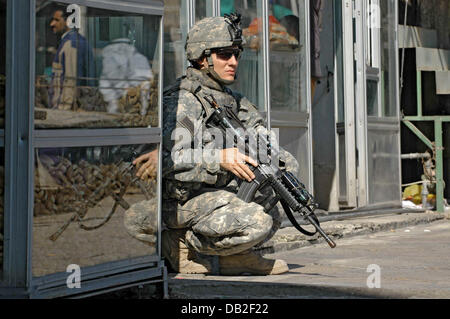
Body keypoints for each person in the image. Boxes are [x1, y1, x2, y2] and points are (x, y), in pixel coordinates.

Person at [128, 14, 299, 275]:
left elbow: (262, 138)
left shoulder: (233, 100)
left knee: (274, 202)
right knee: (256, 222)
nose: (233, 62)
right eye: (224, 55)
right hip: (183, 200)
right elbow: (166, 159)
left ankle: (236, 258)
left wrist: (281, 163)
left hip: (217, 195)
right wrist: (219, 158)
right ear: (202, 57)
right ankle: (181, 243)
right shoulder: (184, 102)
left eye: (236, 54)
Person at [48, 6, 94, 110]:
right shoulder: (78, 41)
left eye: (56, 20)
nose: (52, 24)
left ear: (68, 21)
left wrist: (63, 110)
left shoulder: (70, 44)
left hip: (65, 110)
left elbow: (70, 82)